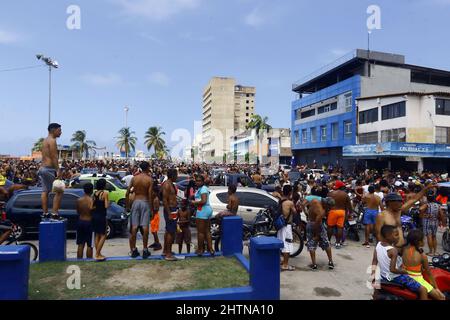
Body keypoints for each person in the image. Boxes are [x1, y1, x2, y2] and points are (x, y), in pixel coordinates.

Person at [371, 225, 428, 300]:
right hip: (395, 277)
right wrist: (404, 271)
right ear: (388, 236)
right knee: (423, 290)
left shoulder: (378, 245)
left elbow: (374, 261)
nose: (398, 237)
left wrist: (373, 274)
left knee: (377, 288)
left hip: (383, 275)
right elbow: (393, 269)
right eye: (396, 235)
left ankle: (375, 296)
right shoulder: (393, 250)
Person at [375, 183, 435, 250]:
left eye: (401, 202)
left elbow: (414, 199)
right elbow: (378, 235)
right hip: (389, 250)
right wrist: (384, 250)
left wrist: (426, 188)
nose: (401, 204)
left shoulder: (399, 211)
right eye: (398, 202)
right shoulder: (381, 216)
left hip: (401, 248)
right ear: (390, 203)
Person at [401, 229, 446, 300]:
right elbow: (429, 273)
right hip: (417, 279)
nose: (424, 241)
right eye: (423, 239)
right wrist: (437, 289)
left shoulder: (404, 248)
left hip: (405, 276)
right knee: (441, 298)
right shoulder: (422, 255)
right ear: (419, 242)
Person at [126, 162, 153, 259]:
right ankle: (145, 250)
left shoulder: (134, 178)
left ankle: (133, 249)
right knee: (145, 226)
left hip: (136, 201)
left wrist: (127, 206)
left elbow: (128, 192)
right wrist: (151, 209)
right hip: (145, 201)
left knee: (134, 226)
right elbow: (150, 195)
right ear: (148, 168)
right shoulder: (149, 179)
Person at [38, 123, 63, 220]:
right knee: (59, 190)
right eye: (59, 130)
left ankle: (45, 213)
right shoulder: (52, 141)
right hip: (49, 169)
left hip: (43, 168)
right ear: (53, 130)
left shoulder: (45, 140)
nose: (61, 132)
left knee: (45, 191)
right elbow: (54, 156)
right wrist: (58, 170)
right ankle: (55, 214)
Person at [305, 197, 335, 270]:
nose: (330, 209)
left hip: (310, 222)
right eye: (330, 207)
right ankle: (330, 261)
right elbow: (317, 223)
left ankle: (314, 264)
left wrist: (308, 213)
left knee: (311, 244)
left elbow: (306, 205)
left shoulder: (314, 200)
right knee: (325, 242)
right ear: (326, 204)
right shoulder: (321, 211)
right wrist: (317, 235)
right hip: (316, 225)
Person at [191, 175, 214, 256]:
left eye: (199, 181)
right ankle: (210, 249)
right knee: (207, 231)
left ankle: (200, 250)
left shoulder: (203, 188)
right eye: (196, 180)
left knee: (200, 232)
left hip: (203, 210)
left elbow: (203, 201)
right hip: (206, 210)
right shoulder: (202, 188)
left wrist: (194, 202)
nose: (197, 182)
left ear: (203, 181)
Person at [420, 190, 446, 256]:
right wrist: (442, 222)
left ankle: (431, 252)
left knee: (429, 236)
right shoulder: (437, 205)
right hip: (435, 222)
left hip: (427, 222)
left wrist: (424, 215)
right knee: (434, 236)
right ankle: (435, 251)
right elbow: (442, 214)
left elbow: (420, 209)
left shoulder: (427, 205)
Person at [327, 180, 352, 249]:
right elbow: (349, 206)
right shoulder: (345, 194)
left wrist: (326, 212)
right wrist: (350, 213)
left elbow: (326, 204)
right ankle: (338, 243)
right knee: (340, 228)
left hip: (333, 211)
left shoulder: (330, 193)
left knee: (330, 227)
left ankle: (328, 241)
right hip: (342, 212)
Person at [278, 185, 297, 271]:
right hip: (287, 226)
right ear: (290, 192)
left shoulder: (280, 200)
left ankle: (282, 261)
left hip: (280, 225)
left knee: (281, 243)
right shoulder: (290, 203)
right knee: (287, 245)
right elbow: (295, 213)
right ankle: (285, 265)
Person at [162, 168, 179, 261]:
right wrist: (169, 213)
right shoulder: (167, 184)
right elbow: (164, 200)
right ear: (172, 175)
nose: (177, 177)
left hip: (172, 209)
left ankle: (166, 250)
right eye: (176, 175)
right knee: (171, 232)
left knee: (168, 231)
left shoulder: (171, 184)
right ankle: (168, 254)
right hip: (170, 210)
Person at [92, 178, 109, 261]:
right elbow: (106, 206)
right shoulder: (105, 193)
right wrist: (107, 201)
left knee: (97, 235)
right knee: (103, 235)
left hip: (95, 215)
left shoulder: (94, 193)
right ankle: (97, 254)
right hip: (102, 215)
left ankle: (98, 253)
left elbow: (91, 206)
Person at [76, 183, 94, 259]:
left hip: (81, 221)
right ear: (92, 190)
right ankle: (89, 260)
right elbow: (93, 212)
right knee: (90, 244)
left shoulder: (79, 200)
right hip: (89, 222)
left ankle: (79, 260)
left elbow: (78, 211)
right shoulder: (92, 201)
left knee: (80, 243)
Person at [149, 183, 162, 251]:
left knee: (154, 231)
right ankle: (155, 242)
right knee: (153, 231)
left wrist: (152, 216)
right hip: (154, 215)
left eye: (152, 192)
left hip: (155, 216)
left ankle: (158, 244)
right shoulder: (154, 198)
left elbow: (156, 210)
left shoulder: (156, 199)